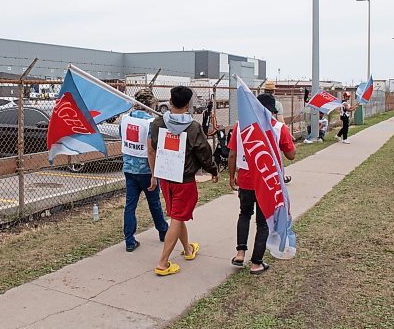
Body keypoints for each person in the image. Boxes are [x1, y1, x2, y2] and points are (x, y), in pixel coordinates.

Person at [148, 86, 219, 276]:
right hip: (184, 180)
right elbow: (204, 152)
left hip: (166, 178)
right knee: (178, 218)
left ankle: (188, 249)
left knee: (177, 217)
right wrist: (213, 170)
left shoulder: (157, 124)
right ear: (188, 104)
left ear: (170, 102)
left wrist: (154, 173)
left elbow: (153, 147)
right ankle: (163, 263)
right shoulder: (193, 127)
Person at [228, 93, 296, 275]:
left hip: (246, 180)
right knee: (263, 221)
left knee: (244, 214)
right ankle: (256, 262)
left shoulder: (241, 126)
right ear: (272, 111)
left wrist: (231, 175)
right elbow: (291, 154)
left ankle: (240, 253)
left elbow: (233, 154)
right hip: (268, 183)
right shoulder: (278, 128)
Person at [121, 89, 168, 252]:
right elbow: (151, 150)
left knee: (130, 205)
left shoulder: (125, 119)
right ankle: (163, 231)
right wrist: (155, 174)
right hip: (146, 170)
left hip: (128, 167)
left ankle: (129, 240)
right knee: (154, 203)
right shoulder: (151, 122)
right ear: (150, 104)